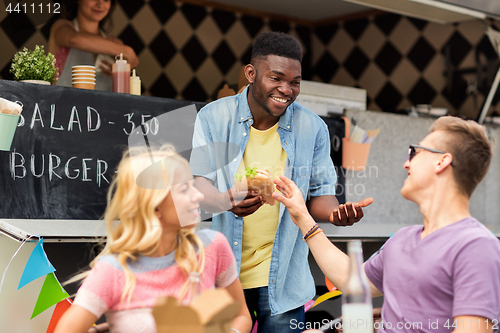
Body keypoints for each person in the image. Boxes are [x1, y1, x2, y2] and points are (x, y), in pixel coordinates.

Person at [190, 31, 372, 332]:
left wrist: (336, 214)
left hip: (285, 279)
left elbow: (319, 197)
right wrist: (226, 201)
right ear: (251, 73)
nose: (286, 90)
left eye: (295, 82)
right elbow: (199, 186)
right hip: (224, 279)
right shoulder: (213, 117)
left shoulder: (312, 128)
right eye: (276, 78)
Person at [272, 116, 500, 333]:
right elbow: (352, 281)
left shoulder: (476, 246)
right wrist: (301, 215)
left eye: (415, 152)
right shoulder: (402, 239)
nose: (406, 164)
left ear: (442, 161)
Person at [54, 145, 252, 333]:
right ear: (154, 205)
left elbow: (242, 316)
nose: (198, 196)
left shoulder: (212, 246)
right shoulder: (113, 271)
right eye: (184, 189)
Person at [48, 0, 139, 91]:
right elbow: (75, 39)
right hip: (63, 104)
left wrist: (120, 77)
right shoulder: (61, 27)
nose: (100, 4)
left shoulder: (116, 44)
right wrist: (128, 52)